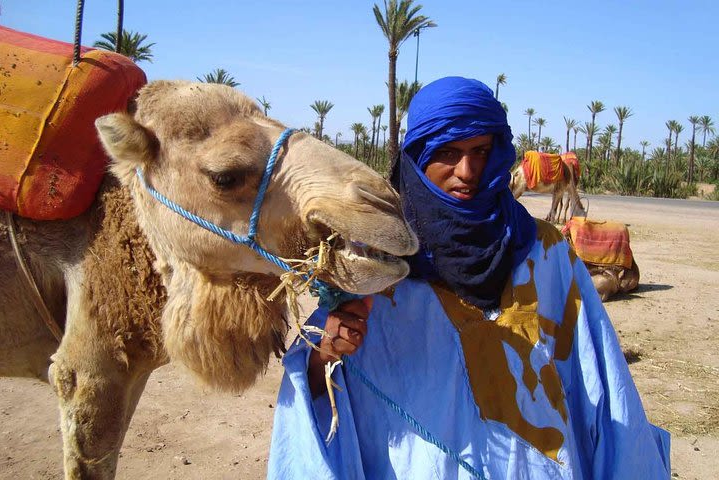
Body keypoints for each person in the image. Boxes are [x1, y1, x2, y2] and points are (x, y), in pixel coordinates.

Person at [268, 76, 670, 479]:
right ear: (418, 157)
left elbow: (599, 383)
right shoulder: (375, 260)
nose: (468, 170)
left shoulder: (545, 251)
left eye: (480, 151)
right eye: (448, 152)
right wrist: (329, 351)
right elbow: (317, 392)